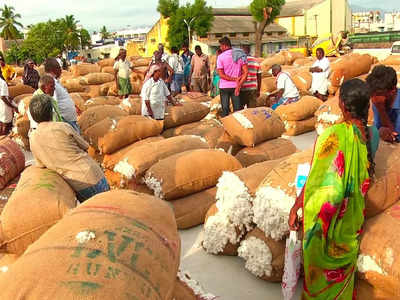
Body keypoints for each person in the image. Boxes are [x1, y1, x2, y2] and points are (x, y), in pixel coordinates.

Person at [289, 79, 379, 300]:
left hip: (326, 223)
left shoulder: (331, 135)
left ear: (343, 105)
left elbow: (315, 178)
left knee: (319, 272)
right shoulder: (372, 135)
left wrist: (297, 206)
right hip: (351, 223)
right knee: (341, 276)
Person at [29, 94, 110, 202]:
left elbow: (40, 164)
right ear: (51, 112)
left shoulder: (33, 138)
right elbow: (85, 146)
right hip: (91, 176)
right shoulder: (62, 127)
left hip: (75, 184)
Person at [44, 58, 80, 133]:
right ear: (54, 69)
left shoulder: (55, 81)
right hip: (65, 120)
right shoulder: (50, 83)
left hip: (68, 119)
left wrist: (74, 106)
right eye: (59, 68)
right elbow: (53, 104)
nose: (61, 70)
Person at [366, 65, 400, 143]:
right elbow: (378, 128)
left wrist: (381, 109)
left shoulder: (379, 102)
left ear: (392, 91)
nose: (373, 98)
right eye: (372, 94)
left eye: (378, 94)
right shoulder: (377, 98)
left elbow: (395, 135)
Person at [217, 37, 248, 117]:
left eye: (221, 46)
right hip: (236, 86)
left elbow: (221, 75)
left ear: (224, 46)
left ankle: (226, 127)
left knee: (225, 109)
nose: (220, 48)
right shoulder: (240, 55)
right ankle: (237, 127)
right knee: (237, 110)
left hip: (224, 87)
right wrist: (239, 84)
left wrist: (232, 79)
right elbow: (246, 72)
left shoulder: (220, 57)